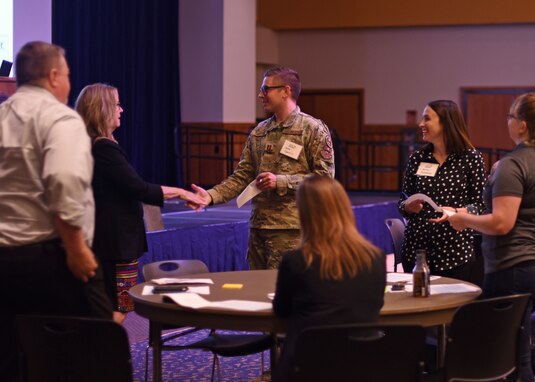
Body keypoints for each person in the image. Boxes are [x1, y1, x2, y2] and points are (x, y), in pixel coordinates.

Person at [0, 41, 113, 381]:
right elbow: (63, 179)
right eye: (67, 75)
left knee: (14, 359)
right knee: (93, 356)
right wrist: (77, 248)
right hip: (55, 260)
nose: (68, 82)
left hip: (5, 262)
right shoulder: (60, 118)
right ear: (52, 76)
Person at [75, 83, 202, 324]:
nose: (121, 110)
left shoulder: (92, 146)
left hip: (107, 240)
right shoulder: (103, 148)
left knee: (112, 305)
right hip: (116, 243)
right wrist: (182, 193)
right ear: (101, 109)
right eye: (116, 104)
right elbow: (138, 188)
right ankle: (103, 357)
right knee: (119, 306)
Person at [191, 67, 335, 270]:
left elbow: (325, 180)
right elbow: (242, 176)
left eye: (265, 89)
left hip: (294, 230)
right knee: (258, 292)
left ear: (285, 91)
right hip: (259, 228)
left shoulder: (312, 129)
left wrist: (281, 181)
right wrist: (210, 196)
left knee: (285, 294)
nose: (260, 95)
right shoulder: (260, 131)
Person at [447, 93, 535, 381]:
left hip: (512, 267)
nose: (507, 121)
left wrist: (462, 219)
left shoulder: (513, 164)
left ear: (522, 125)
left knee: (510, 358)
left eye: (510, 116)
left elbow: (501, 223)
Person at [272, 175, 386, 381]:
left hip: (307, 368)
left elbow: (282, 311)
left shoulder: (295, 261)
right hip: (364, 367)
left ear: (305, 213)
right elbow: (376, 304)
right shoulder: (376, 258)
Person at [399, 100, 486, 281]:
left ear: (445, 123)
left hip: (455, 254)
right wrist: (408, 207)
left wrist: (455, 212)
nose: (421, 124)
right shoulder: (417, 158)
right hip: (417, 254)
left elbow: (481, 206)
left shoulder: (471, 158)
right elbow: (401, 201)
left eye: (427, 119)